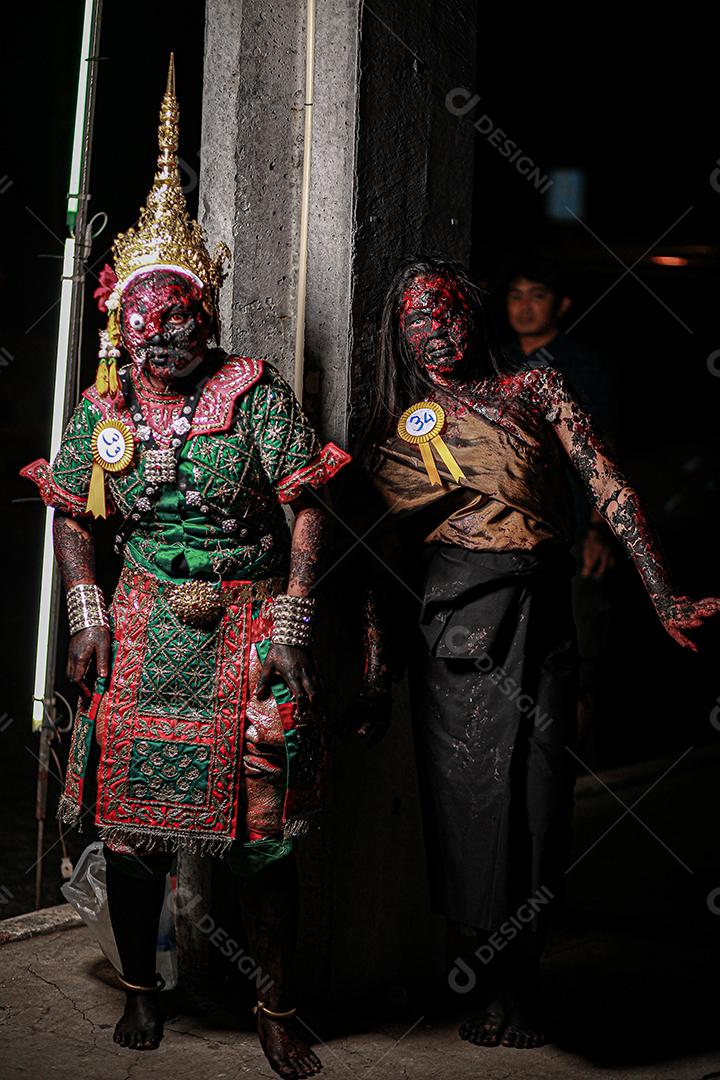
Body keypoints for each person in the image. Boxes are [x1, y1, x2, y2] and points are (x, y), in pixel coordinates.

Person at [21, 58, 350, 1080]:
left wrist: (297, 622)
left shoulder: (255, 395)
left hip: (250, 620)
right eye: (142, 322)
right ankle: (145, 988)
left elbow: (306, 502)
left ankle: (277, 1005)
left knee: (264, 836)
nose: (161, 336)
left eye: (180, 319)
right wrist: (85, 613)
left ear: (205, 314)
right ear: (120, 324)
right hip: (142, 618)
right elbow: (73, 513)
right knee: (130, 832)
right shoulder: (104, 408)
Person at [356, 256, 719, 1050]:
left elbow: (610, 485)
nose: (435, 331)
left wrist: (662, 593)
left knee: (540, 800)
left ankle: (526, 978)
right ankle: (486, 985)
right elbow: (379, 564)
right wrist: (377, 673)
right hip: (457, 631)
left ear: (475, 316)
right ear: (398, 334)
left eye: (447, 313)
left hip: (543, 614)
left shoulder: (534, 389)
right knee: (472, 812)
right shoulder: (396, 426)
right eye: (417, 320)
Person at [500, 255, 622, 757]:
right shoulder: (495, 360)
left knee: (574, 653)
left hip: (571, 529)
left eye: (538, 295)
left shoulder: (582, 366)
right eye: (516, 294)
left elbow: (605, 453)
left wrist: (598, 531)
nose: (525, 306)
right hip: (510, 531)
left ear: (562, 305)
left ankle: (575, 764)